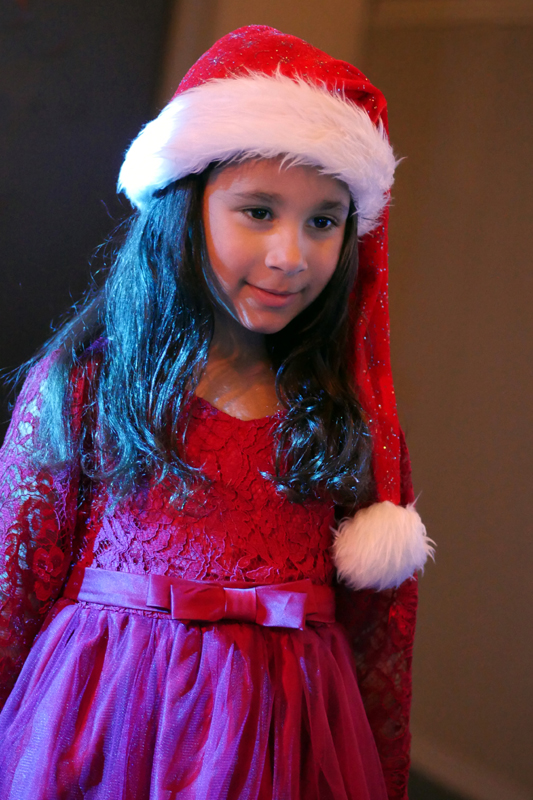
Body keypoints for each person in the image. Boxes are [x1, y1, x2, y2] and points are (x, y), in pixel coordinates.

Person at [0, 25, 433, 800]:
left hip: (282, 737)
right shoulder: (89, 386)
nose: (290, 255)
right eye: (258, 211)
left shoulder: (342, 417)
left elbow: (380, 637)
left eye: (323, 221)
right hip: (107, 725)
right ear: (185, 206)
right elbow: (13, 584)